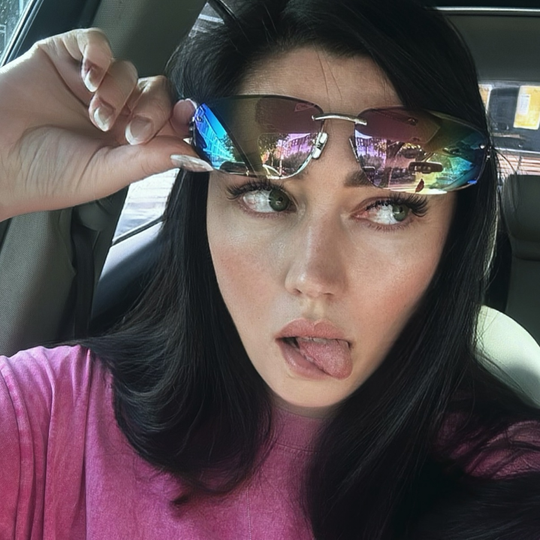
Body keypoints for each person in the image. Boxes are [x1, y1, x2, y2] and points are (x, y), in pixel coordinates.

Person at [1, 0, 540, 538]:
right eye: (266, 197)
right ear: (202, 206)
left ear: (453, 235)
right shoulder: (52, 418)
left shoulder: (511, 481)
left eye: (389, 209)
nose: (313, 278)